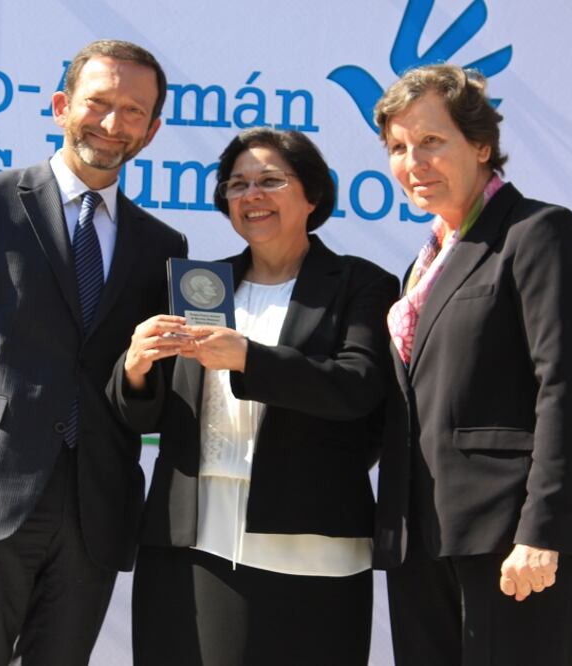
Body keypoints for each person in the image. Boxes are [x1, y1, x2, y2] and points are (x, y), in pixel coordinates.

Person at [0, 39, 187, 665]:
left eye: (133, 111)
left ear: (151, 131)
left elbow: (145, 399)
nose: (112, 123)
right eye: (98, 102)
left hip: (94, 515)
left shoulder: (162, 245)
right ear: (60, 106)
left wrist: (137, 378)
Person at [107, 127, 398, 665]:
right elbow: (147, 412)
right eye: (236, 185)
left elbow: (358, 389)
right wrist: (137, 369)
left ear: (312, 195)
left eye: (269, 181)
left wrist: (249, 358)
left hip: (310, 544)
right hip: (189, 539)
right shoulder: (200, 285)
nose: (251, 196)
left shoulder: (362, 284)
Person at [371, 64, 572, 665]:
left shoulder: (538, 233)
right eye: (398, 147)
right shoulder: (426, 262)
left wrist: (542, 532)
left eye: (431, 141)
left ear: (481, 146)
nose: (413, 161)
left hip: (510, 536)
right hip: (423, 537)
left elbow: (569, 390)